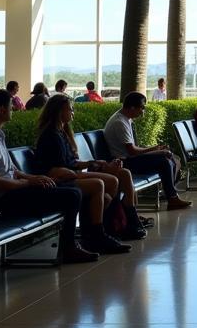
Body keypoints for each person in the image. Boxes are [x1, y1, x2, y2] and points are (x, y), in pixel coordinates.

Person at [0, 89, 97, 264]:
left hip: (16, 191)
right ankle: (69, 248)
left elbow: (11, 170)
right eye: (11, 106)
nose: (14, 109)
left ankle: (79, 241)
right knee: (73, 195)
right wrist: (27, 183)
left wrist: (34, 179)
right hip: (7, 199)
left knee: (69, 187)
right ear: (2, 110)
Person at [33, 95, 137, 251]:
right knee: (101, 184)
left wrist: (93, 163)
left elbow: (71, 163)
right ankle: (98, 233)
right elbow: (58, 168)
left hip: (69, 173)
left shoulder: (61, 133)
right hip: (59, 178)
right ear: (59, 111)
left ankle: (99, 229)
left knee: (110, 187)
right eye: (70, 109)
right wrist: (91, 166)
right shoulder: (51, 136)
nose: (73, 112)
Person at [103, 92, 192, 209]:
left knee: (171, 157)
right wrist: (155, 150)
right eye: (142, 108)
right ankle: (172, 197)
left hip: (130, 159)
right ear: (132, 107)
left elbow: (133, 148)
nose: (143, 111)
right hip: (124, 162)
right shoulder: (120, 122)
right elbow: (132, 151)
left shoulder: (125, 119)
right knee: (164, 161)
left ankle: (171, 195)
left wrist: (156, 150)